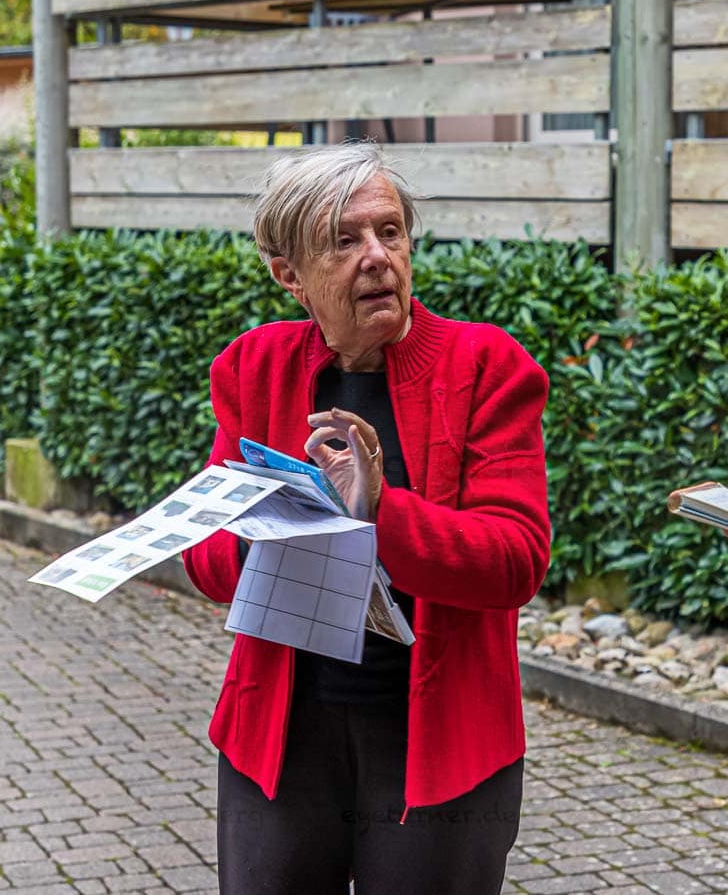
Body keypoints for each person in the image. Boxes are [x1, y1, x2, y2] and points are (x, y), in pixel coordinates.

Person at [180, 143, 550, 894]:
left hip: (438, 749)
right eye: (343, 241)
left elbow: (516, 560)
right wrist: (267, 528)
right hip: (282, 743)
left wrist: (381, 511)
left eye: (390, 231)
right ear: (290, 273)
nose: (377, 257)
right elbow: (209, 562)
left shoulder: (487, 367)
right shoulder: (254, 368)